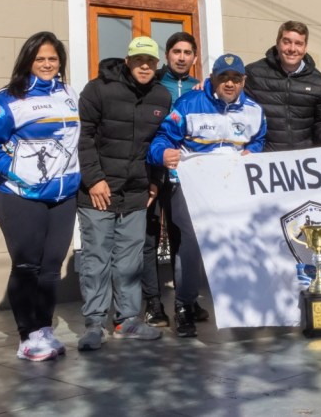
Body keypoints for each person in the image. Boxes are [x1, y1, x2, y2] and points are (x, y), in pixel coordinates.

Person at [0, 31, 80, 361]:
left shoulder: (69, 93)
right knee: (26, 266)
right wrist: (15, 167)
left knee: (51, 267)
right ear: (28, 61)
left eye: (53, 58)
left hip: (63, 196)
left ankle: (44, 328)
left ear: (60, 62)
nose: (47, 64)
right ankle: (26, 336)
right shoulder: (9, 98)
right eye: (40, 59)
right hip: (21, 195)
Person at [148, 54, 267, 337]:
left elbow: (259, 140)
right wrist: (162, 154)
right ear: (212, 78)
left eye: (235, 79)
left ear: (243, 81)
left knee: (240, 242)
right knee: (191, 243)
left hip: (232, 189)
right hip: (190, 187)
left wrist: (255, 152)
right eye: (223, 77)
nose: (229, 84)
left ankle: (240, 302)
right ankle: (184, 306)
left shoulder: (254, 110)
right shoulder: (188, 103)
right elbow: (162, 138)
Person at [75, 36, 172, 349]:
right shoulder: (97, 89)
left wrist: (155, 181)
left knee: (130, 261)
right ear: (128, 61)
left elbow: (159, 143)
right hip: (98, 192)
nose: (145, 66)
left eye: (151, 62)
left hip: (136, 192)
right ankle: (94, 323)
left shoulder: (161, 96)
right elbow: (84, 138)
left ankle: (127, 319)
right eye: (139, 60)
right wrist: (93, 180)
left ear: (157, 65)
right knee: (96, 259)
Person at [141, 32, 202, 329]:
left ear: (194, 57)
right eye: (176, 51)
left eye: (187, 52)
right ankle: (153, 303)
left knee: (183, 237)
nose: (181, 57)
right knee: (150, 236)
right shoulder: (153, 85)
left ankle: (186, 300)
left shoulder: (201, 89)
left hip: (187, 175)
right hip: (152, 170)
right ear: (167, 55)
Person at [244, 20, 321, 151]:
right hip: (264, 157)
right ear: (277, 43)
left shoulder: (319, 82)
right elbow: (230, 96)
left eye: (298, 43)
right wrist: (206, 86)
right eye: (286, 42)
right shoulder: (253, 74)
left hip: (302, 160)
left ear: (305, 48)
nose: (292, 49)